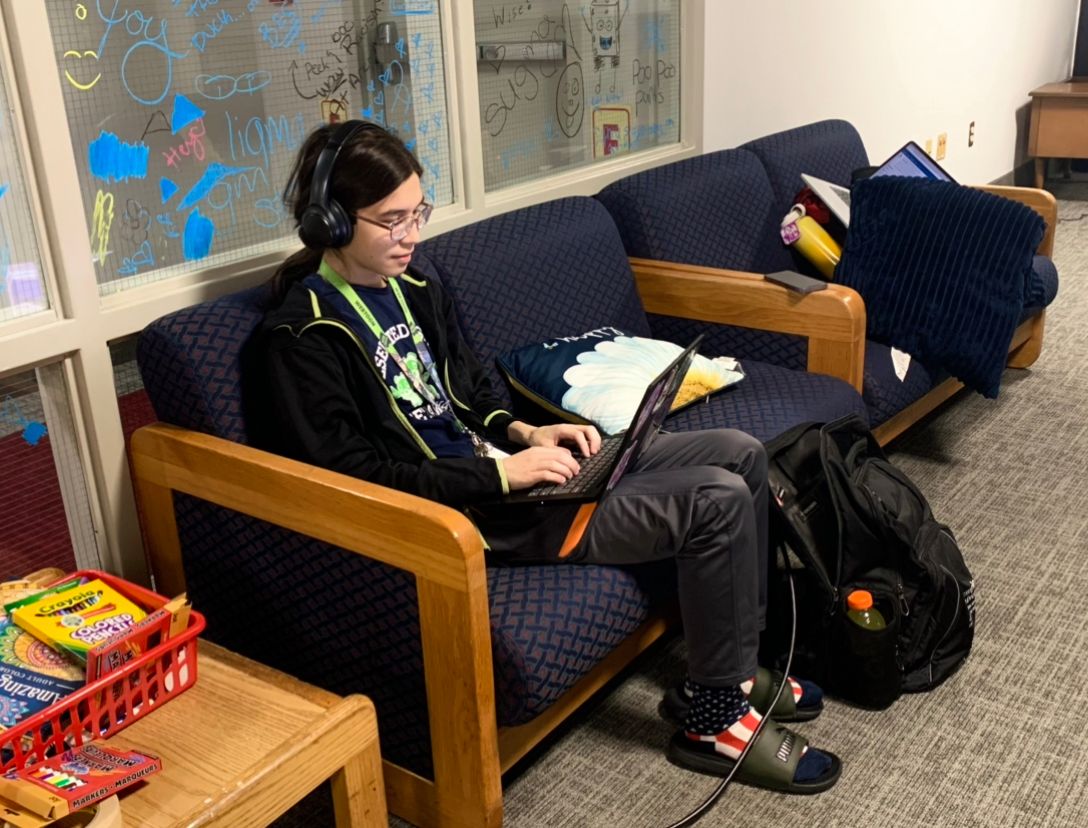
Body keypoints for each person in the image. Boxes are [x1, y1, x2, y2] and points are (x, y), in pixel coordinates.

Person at [258, 120, 842, 794]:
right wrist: (501, 474)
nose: (411, 235)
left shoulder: (413, 286)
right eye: (391, 221)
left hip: (512, 476)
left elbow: (471, 388)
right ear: (329, 221)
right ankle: (711, 722)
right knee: (712, 500)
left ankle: (732, 672)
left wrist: (528, 434)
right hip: (476, 513)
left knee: (738, 454)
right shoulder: (301, 336)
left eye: (417, 213)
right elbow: (354, 476)